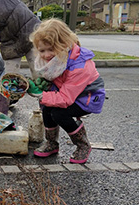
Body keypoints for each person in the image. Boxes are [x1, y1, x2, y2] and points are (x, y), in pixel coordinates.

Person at [28, 18, 106, 164]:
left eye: (50, 49)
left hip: (86, 98)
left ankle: (82, 145)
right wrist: (44, 85)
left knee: (59, 113)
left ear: (63, 44)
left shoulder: (80, 66)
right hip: (70, 94)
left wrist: (40, 94)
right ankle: (51, 143)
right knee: (47, 107)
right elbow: (58, 82)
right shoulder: (58, 58)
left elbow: (65, 99)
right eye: (42, 50)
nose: (45, 55)